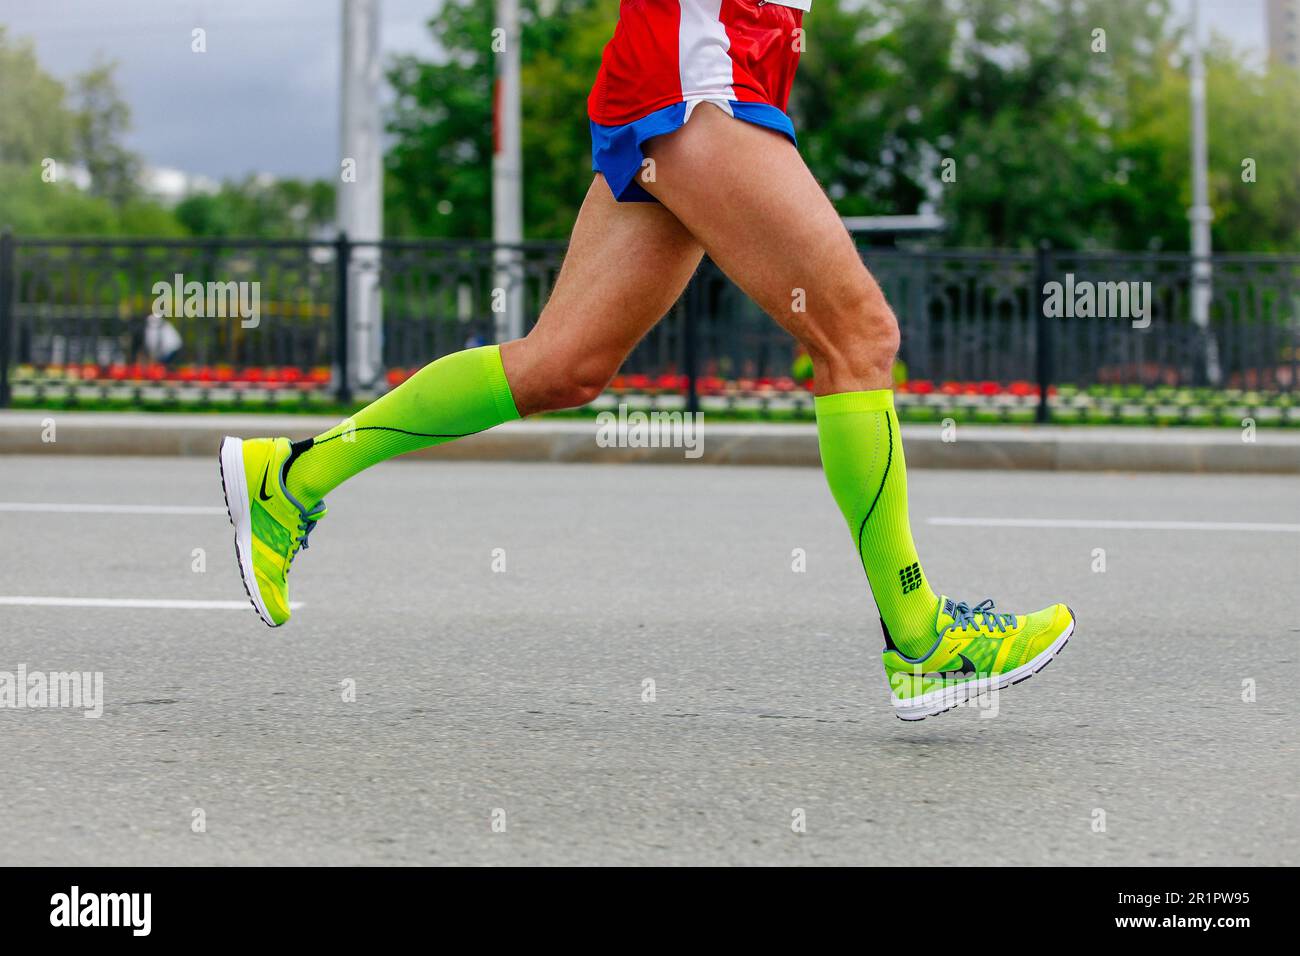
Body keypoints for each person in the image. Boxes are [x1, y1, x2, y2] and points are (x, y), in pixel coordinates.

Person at [219, 0, 1074, 720]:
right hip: (700, 70)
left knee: (563, 366)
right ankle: (920, 634)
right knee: (860, 337)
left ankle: (289, 478)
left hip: (725, 65)